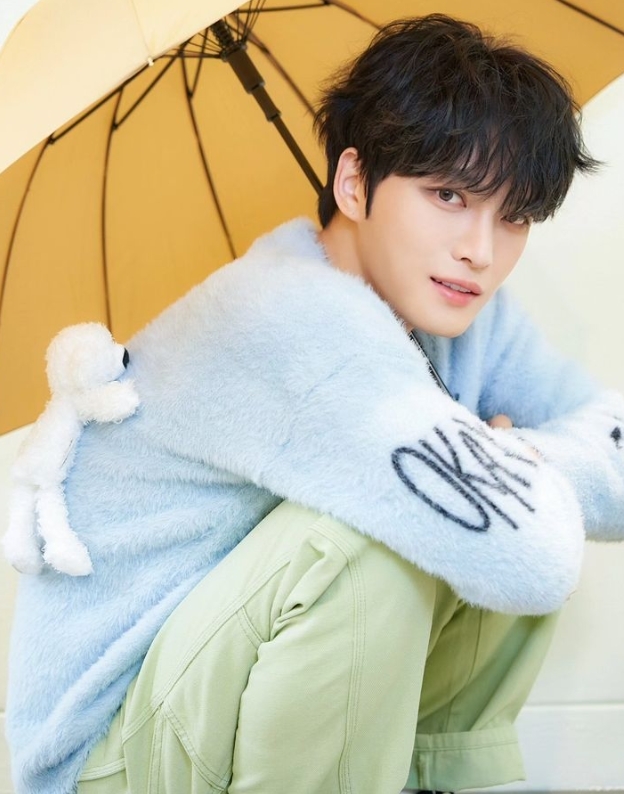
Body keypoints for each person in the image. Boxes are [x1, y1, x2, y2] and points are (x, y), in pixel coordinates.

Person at [6, 14, 624, 794]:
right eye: (448, 194)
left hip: (223, 700)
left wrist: (512, 460)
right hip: (111, 752)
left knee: (473, 508)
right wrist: (502, 468)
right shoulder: (283, 319)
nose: (481, 249)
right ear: (354, 182)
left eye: (514, 216)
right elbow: (533, 554)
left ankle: (418, 777)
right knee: (373, 540)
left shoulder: (461, 312)